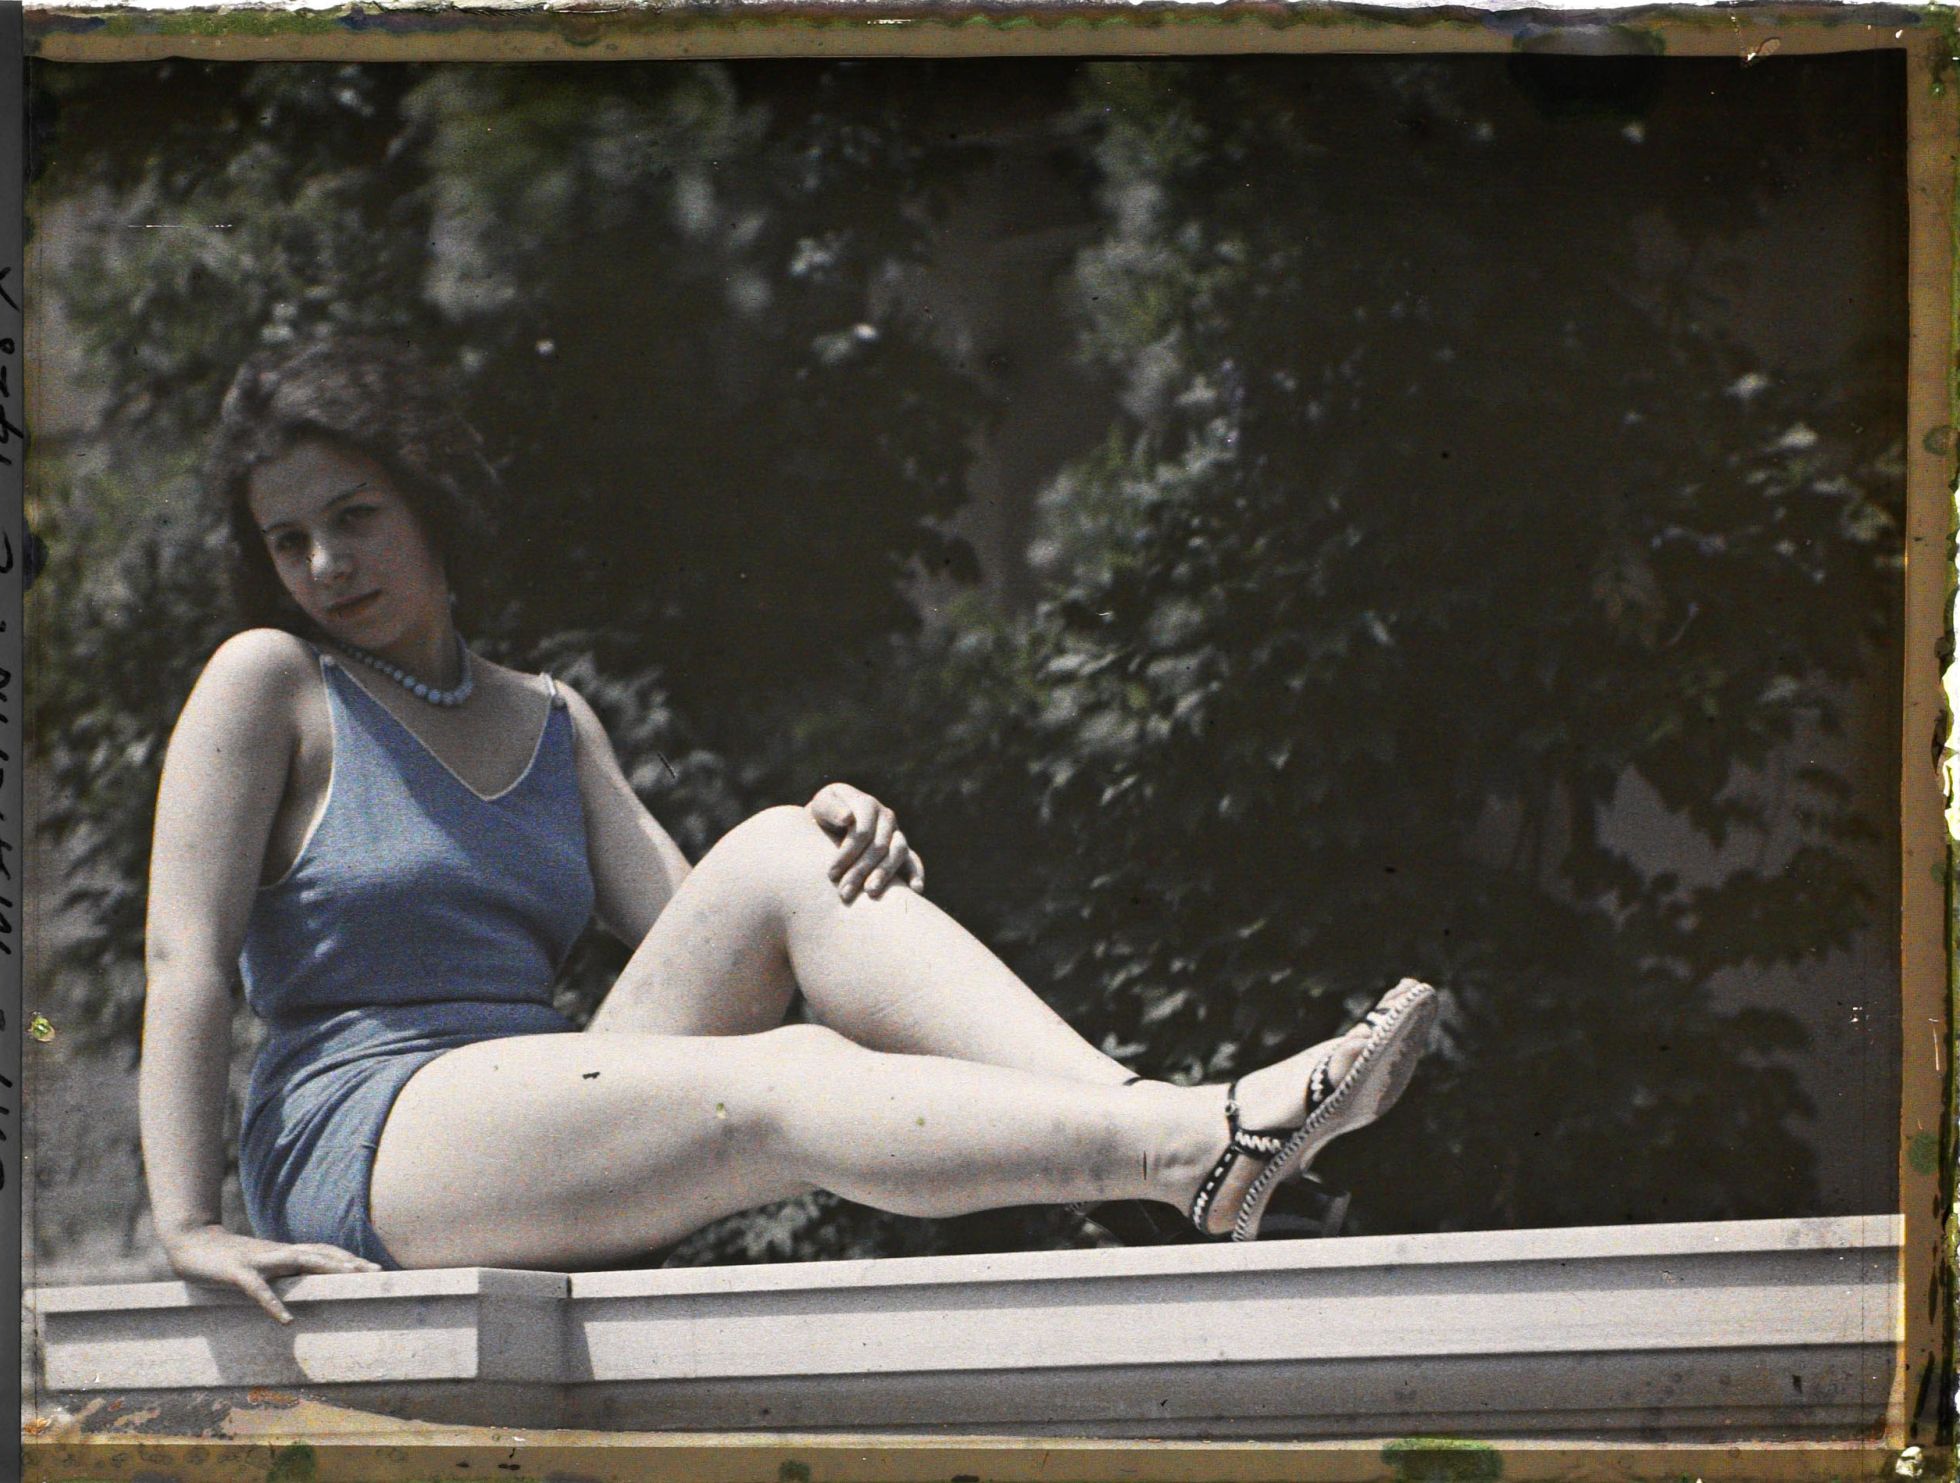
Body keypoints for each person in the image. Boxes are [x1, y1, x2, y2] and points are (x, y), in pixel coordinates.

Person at [138, 336, 1438, 1323]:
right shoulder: (269, 683)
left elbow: (719, 926)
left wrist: (837, 835)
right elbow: (183, 959)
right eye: (289, 540)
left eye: (354, 517)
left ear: (426, 499)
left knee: (787, 848)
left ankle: (1173, 1131)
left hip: (536, 1112)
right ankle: (1187, 1148)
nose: (325, 567)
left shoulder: (551, 720)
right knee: (787, 1075)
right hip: (368, 1138)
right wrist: (187, 1224)